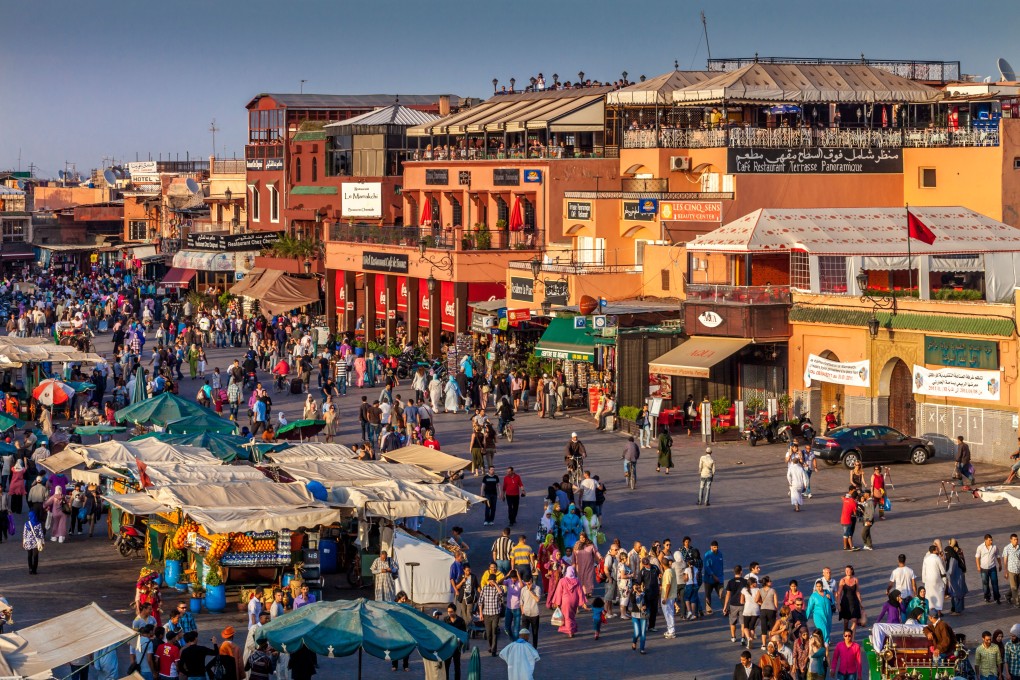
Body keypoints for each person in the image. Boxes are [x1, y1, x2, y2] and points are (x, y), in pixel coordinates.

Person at [551, 565, 586, 638]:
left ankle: (570, 631)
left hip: (565, 601)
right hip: (574, 600)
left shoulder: (562, 580)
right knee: (572, 616)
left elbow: (559, 592)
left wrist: (557, 602)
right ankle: (572, 630)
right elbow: (580, 592)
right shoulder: (577, 581)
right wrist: (582, 602)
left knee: (567, 616)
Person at [477, 576, 503, 656]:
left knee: (494, 631)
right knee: (488, 633)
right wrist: (481, 613)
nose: (491, 582)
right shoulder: (485, 588)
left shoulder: (498, 587)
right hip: (486, 614)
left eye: (493, 580)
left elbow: (501, 594)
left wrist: (495, 584)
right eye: (490, 581)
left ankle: (494, 650)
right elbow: (480, 601)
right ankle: (491, 646)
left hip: (495, 613)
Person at [975, 533, 1002, 604]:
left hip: (992, 568)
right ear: (985, 540)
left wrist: (1000, 564)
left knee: (995, 583)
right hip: (983, 569)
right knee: (985, 583)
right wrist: (978, 566)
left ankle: (997, 598)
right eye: (990, 540)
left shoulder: (994, 547)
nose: (991, 542)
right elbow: (977, 557)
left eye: (991, 540)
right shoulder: (980, 547)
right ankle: (987, 597)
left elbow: (998, 556)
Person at [836, 566, 864, 634]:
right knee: (846, 621)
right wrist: (838, 604)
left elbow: (857, 592)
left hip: (854, 602)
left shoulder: (855, 580)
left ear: (852, 571)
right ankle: (845, 634)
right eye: (846, 570)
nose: (847, 571)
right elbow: (839, 593)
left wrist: (860, 603)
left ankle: (851, 636)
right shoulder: (842, 580)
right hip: (845, 602)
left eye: (848, 570)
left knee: (854, 620)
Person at [922, 544, 948, 615]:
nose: (938, 550)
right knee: (939, 594)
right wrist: (944, 577)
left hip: (928, 579)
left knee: (929, 594)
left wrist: (924, 580)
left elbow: (923, 570)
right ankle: (939, 612)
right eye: (937, 549)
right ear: (933, 550)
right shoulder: (937, 558)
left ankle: (931, 610)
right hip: (937, 579)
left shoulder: (926, 558)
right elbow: (942, 569)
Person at [805, 580, 833, 645]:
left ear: (822, 586)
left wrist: (830, 598)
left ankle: (824, 641)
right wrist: (805, 618)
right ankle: (825, 643)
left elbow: (833, 602)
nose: (818, 588)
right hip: (818, 616)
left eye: (820, 586)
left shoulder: (827, 593)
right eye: (817, 586)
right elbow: (809, 608)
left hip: (828, 615)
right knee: (823, 629)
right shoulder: (813, 596)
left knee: (828, 629)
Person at [443, 604, 466, 680]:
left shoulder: (461, 621)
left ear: (455, 611)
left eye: (451, 612)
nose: (450, 613)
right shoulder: (445, 620)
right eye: (448, 612)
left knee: (457, 666)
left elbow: (463, 634)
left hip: (456, 647)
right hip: (448, 647)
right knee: (446, 666)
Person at [630, 581, 649, 654]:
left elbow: (647, 602)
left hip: (643, 615)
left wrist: (645, 606)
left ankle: (642, 648)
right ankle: (634, 642)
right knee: (637, 632)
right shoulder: (632, 594)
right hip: (635, 615)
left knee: (643, 633)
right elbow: (633, 601)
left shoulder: (645, 593)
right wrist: (635, 592)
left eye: (638, 585)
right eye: (636, 586)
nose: (637, 587)